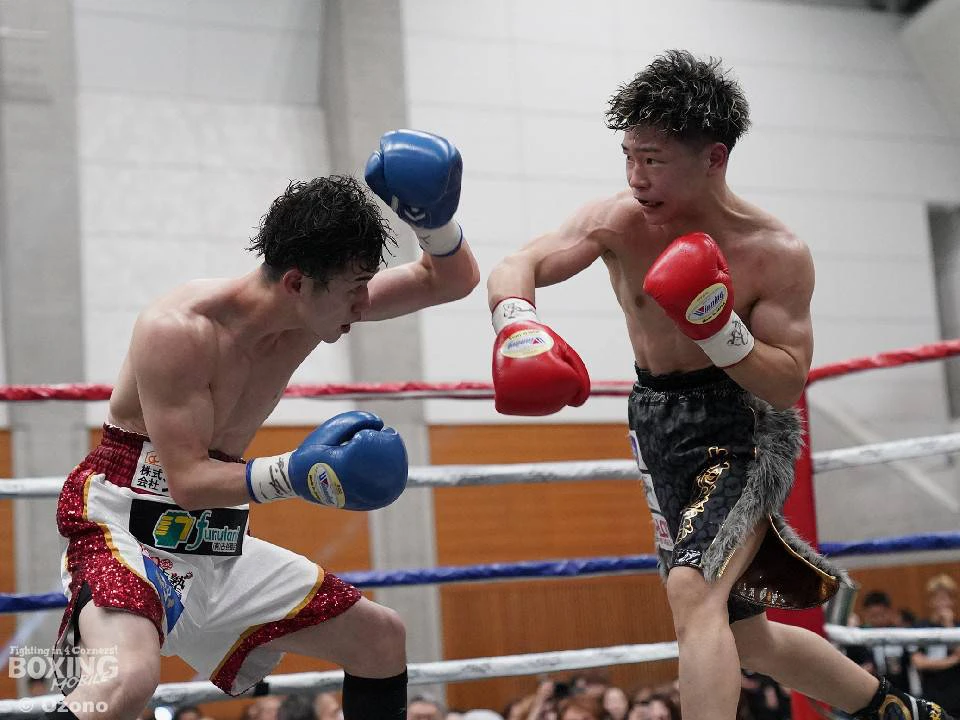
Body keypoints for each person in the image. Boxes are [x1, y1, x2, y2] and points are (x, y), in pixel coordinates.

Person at [486, 49, 952, 720]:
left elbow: (785, 383)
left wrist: (717, 328)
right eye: (628, 156)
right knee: (746, 638)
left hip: (741, 429)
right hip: (654, 423)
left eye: (654, 160)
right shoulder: (617, 221)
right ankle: (895, 712)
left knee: (692, 589)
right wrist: (518, 323)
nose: (636, 177)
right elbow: (520, 263)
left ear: (714, 157)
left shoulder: (774, 252)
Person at [52, 128, 480, 720]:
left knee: (380, 638)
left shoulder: (312, 310)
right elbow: (187, 481)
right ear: (297, 282)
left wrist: (434, 224)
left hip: (214, 533)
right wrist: (297, 473)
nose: (364, 304)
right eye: (355, 291)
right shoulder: (179, 331)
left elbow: (449, 280)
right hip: (126, 523)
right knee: (127, 683)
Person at [911, 574, 960, 714]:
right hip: (930, 697)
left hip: (956, 698)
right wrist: (953, 660)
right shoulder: (920, 627)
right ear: (930, 601)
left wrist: (948, 625)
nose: (941, 603)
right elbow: (919, 662)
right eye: (937, 598)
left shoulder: (957, 627)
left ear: (952, 601)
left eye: (945, 598)